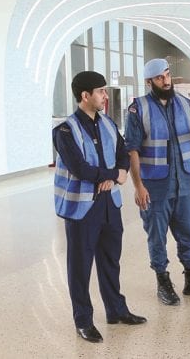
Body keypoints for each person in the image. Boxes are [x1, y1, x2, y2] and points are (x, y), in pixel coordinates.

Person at [53, 71, 146, 344]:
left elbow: (122, 153)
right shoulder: (65, 130)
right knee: (80, 267)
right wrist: (111, 175)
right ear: (85, 96)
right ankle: (83, 321)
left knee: (110, 260)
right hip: (82, 208)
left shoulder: (107, 123)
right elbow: (80, 168)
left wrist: (119, 172)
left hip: (109, 204)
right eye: (101, 91)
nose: (106, 96)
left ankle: (116, 310)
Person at [124, 58, 190, 306]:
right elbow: (131, 150)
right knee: (157, 237)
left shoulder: (185, 103)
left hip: (183, 183)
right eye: (160, 78)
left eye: (167, 75)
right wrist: (138, 186)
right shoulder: (138, 109)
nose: (166, 81)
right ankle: (163, 281)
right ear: (149, 82)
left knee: (188, 232)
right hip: (154, 186)